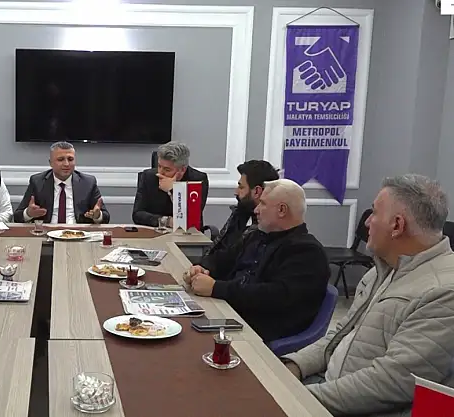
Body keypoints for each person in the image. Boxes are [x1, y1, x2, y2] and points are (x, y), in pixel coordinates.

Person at [282, 174, 454, 416]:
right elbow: (341, 334)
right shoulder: (382, 270)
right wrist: (295, 365)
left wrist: (295, 398)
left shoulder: (444, 292)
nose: (367, 222)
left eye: (374, 213)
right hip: (328, 389)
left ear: (397, 225)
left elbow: (391, 382)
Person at [185, 179, 328, 343]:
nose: (256, 210)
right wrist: (201, 268)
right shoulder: (256, 236)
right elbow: (223, 259)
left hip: (258, 331)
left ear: (282, 210)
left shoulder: (307, 252)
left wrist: (216, 288)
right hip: (228, 311)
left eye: (263, 204)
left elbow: (273, 296)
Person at [13, 141, 109, 224]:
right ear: (50, 163)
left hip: (78, 233)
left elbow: (105, 217)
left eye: (70, 159)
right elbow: (17, 217)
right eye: (60, 159)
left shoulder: (88, 183)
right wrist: (29, 214)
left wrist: (97, 216)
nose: (66, 164)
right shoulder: (37, 181)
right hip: (47, 232)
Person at [207, 160, 279, 260]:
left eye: (241, 187)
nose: (236, 192)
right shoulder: (240, 212)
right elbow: (217, 247)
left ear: (257, 191)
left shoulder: (267, 228)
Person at [132, 142, 208, 229]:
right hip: (155, 231)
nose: (160, 172)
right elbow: (137, 214)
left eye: (167, 169)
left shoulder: (197, 180)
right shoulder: (148, 177)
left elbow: (192, 218)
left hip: (186, 233)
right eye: (159, 166)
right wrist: (165, 221)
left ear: (182, 170)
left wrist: (173, 190)